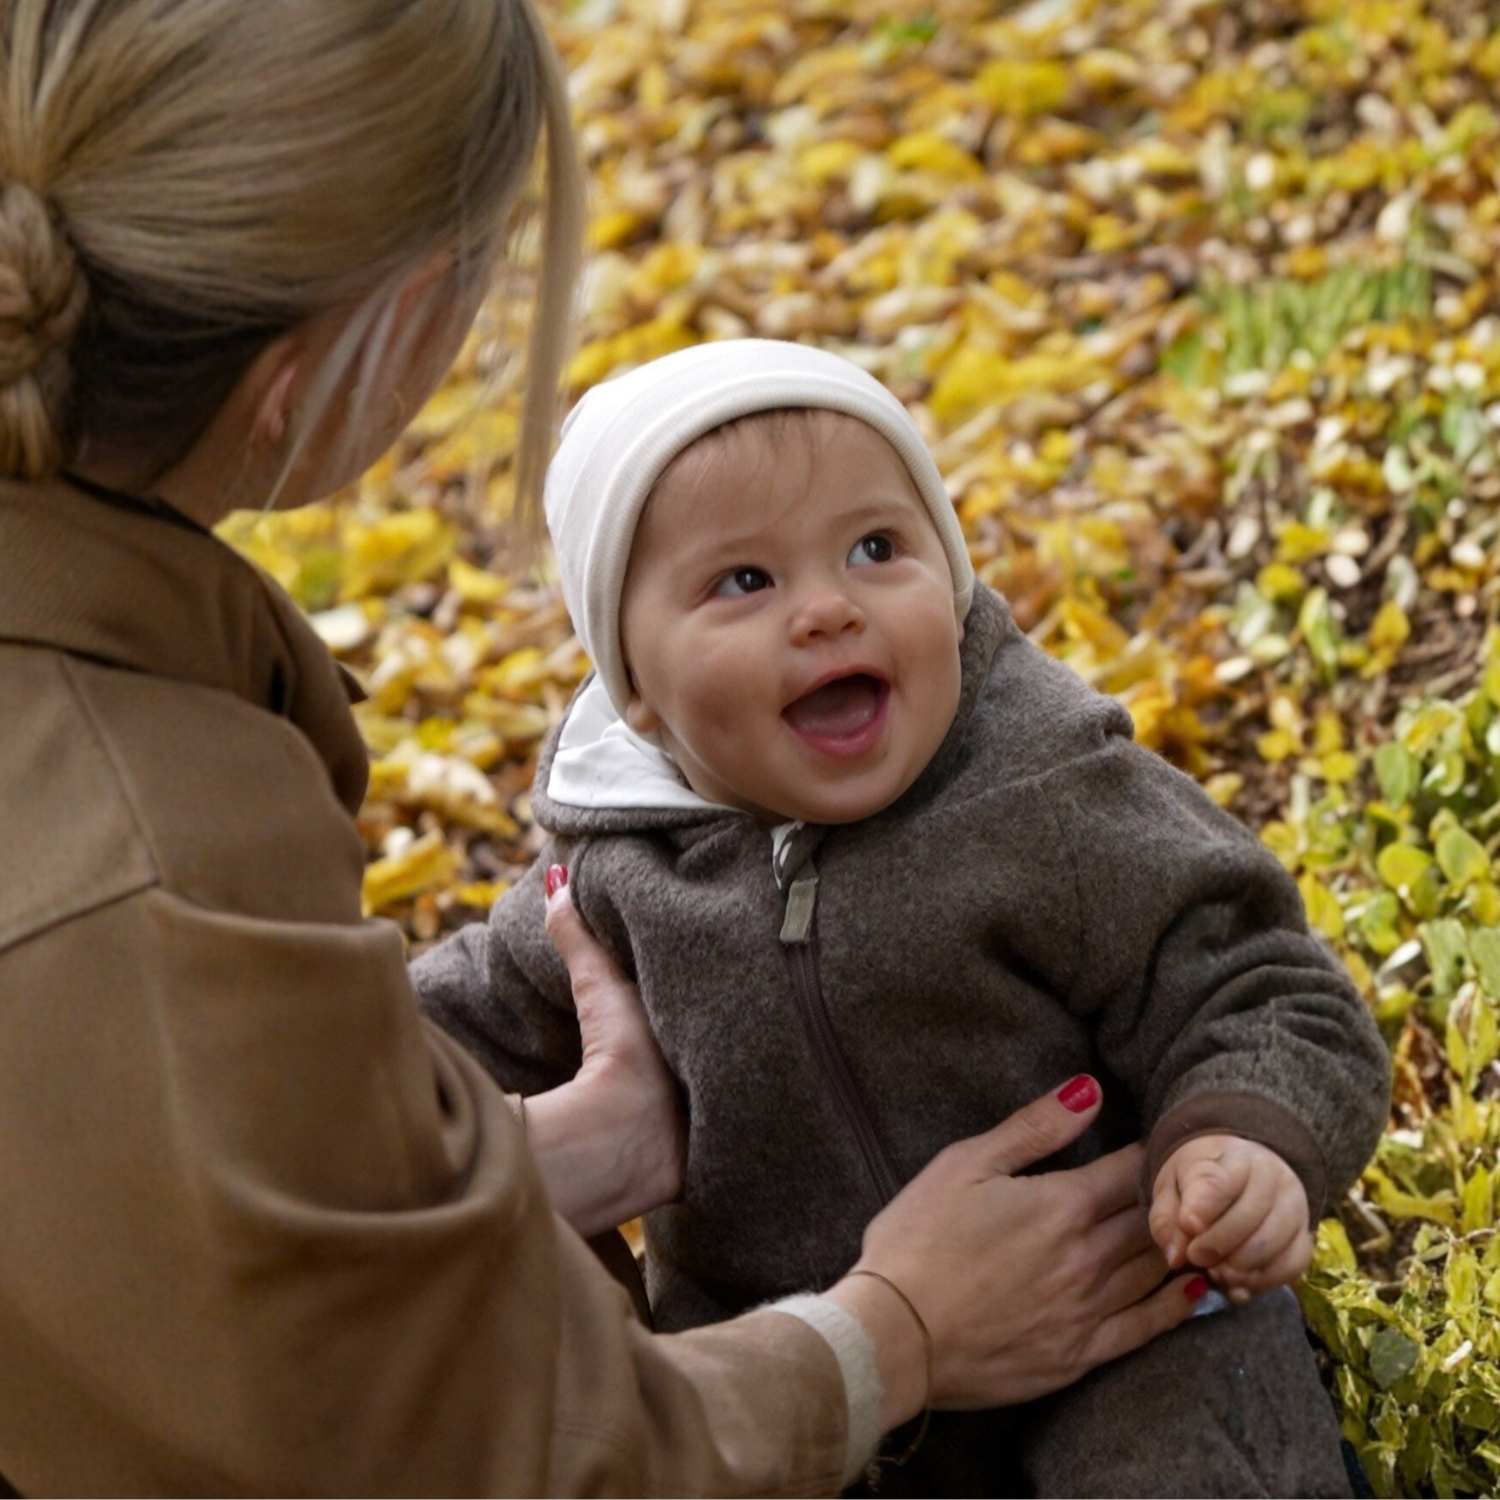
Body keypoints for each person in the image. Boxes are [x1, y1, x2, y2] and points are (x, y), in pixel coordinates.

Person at [0, 3, 1211, 1494]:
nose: (823, 613)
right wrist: (887, 1334)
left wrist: (533, 1161)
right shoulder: (149, 863)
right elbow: (442, 1462)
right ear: (374, 333)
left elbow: (122, 1239)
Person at [414, 339, 1393, 1496]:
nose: (829, 608)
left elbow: (1257, 982)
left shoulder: (1043, 786)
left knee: (1177, 1447)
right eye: (745, 581)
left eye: (876, 548)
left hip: (1114, 1305)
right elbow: (426, 1035)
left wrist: (1240, 1141)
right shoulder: (617, 872)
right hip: (801, 1367)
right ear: (631, 684)